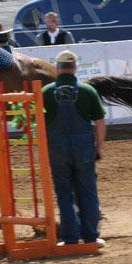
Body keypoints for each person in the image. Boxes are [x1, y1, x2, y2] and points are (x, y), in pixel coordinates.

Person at [43, 50, 106, 246]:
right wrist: (99, 147)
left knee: (64, 194)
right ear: (75, 68)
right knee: (88, 192)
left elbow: (38, 124)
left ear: (57, 68)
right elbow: (100, 122)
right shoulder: (88, 91)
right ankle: (91, 236)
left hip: (57, 150)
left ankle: (69, 238)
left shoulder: (45, 92)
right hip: (83, 149)